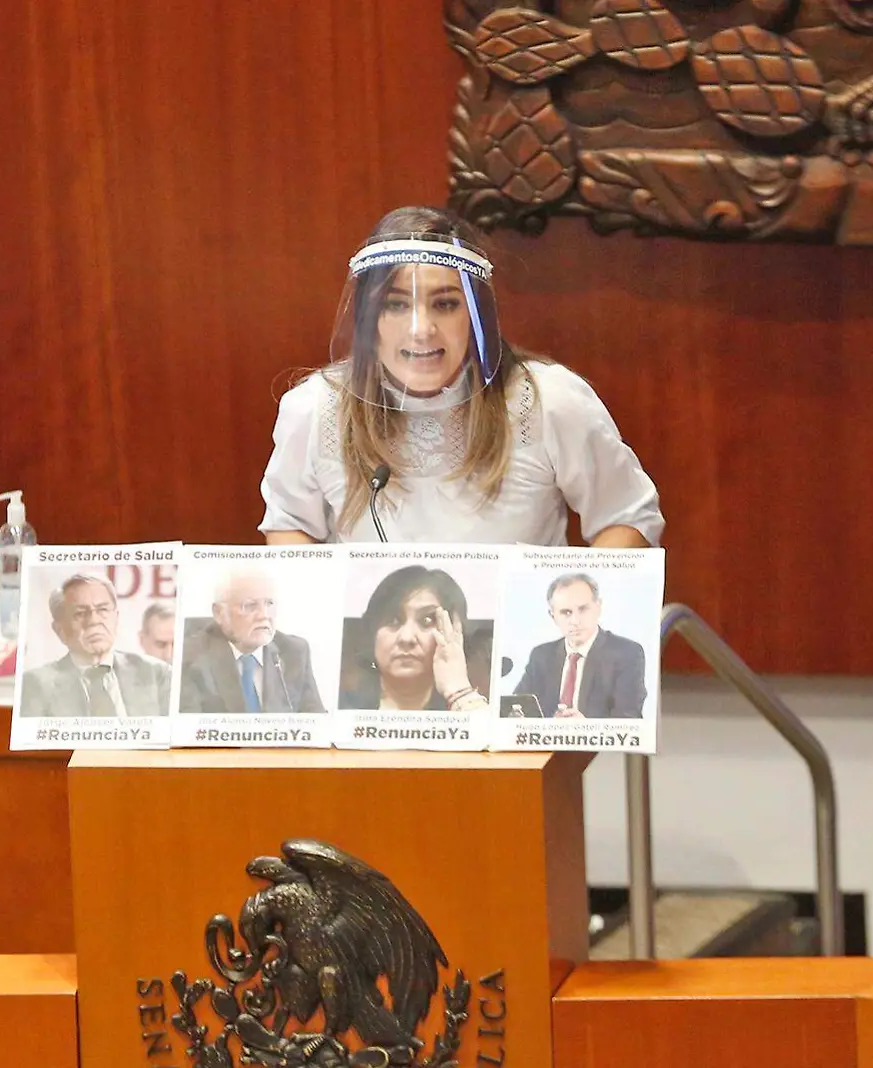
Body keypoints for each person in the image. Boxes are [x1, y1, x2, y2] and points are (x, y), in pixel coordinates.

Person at [260, 206, 663, 547]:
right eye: (396, 305)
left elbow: (626, 516)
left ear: (476, 315)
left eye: (446, 304)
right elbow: (290, 525)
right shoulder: (315, 407)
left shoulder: (548, 401)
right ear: (369, 319)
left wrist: (568, 612)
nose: (421, 329)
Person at [18, 573, 171, 718]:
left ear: (116, 618)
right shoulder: (35, 685)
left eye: (103, 609)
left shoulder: (157, 673)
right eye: (80, 613)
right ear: (60, 630)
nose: (94, 620)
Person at [338, 566, 488, 712]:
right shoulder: (342, 709)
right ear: (372, 632)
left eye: (427, 620)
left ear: (455, 632)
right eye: (393, 620)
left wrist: (458, 691)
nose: (407, 638)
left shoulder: (468, 708)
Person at [179, 569, 325, 716]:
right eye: (249, 605)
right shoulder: (189, 657)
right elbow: (190, 732)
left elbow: (317, 723)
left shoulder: (294, 652)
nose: (264, 615)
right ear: (219, 613)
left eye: (270, 603)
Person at [511, 574, 647, 719]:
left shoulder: (626, 653)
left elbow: (630, 717)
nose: (575, 621)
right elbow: (517, 705)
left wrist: (586, 728)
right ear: (553, 616)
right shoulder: (541, 655)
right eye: (566, 612)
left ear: (598, 607)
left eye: (583, 609)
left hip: (597, 740)